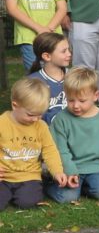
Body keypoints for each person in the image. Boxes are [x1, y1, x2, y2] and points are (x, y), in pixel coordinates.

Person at [46, 67, 99, 203]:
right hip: (71, 166)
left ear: (96, 96)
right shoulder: (61, 119)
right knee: (68, 197)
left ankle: (84, 187)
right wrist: (70, 171)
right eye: (71, 100)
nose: (76, 105)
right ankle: (49, 185)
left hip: (97, 167)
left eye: (82, 101)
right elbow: (60, 150)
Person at [0, 78, 66, 210]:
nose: (35, 119)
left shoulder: (40, 126)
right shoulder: (2, 123)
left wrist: (57, 171)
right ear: (15, 105)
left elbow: (50, 150)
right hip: (4, 176)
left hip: (29, 176)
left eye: (40, 115)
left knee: (27, 202)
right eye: (30, 115)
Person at [28, 32, 70, 124]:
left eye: (68, 50)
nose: (69, 54)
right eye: (64, 51)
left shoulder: (74, 76)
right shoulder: (33, 82)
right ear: (47, 56)